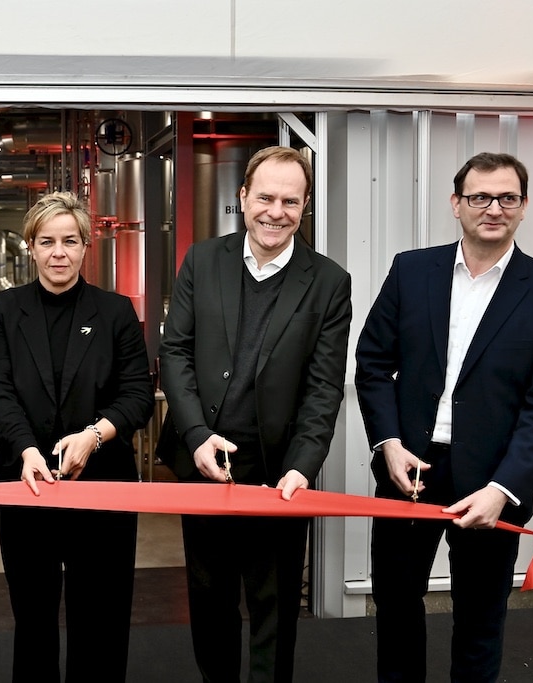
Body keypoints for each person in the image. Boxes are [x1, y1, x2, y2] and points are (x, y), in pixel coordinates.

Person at [355, 152, 533, 683]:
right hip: (406, 471)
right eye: (480, 197)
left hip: (492, 479)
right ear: (456, 204)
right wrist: (386, 442)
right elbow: (372, 365)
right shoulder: (410, 271)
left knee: (481, 620)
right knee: (396, 608)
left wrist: (505, 488)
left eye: (507, 198)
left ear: (524, 207)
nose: (493, 208)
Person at [157, 146, 353, 682]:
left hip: (279, 474)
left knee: (275, 607)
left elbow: (323, 386)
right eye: (265, 197)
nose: (276, 211)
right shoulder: (201, 259)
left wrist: (303, 466)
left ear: (305, 205)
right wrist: (196, 435)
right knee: (209, 599)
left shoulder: (330, 282)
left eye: (290, 201)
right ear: (242, 198)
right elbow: (175, 352)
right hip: (204, 463)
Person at [0, 191, 154, 682]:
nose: (60, 252)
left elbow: (138, 394)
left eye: (70, 241)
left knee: (101, 619)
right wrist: (27, 449)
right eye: (48, 241)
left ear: (85, 247)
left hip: (104, 489)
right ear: (30, 247)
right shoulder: (3, 311)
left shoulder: (116, 312)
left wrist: (94, 436)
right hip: (26, 484)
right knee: (32, 617)